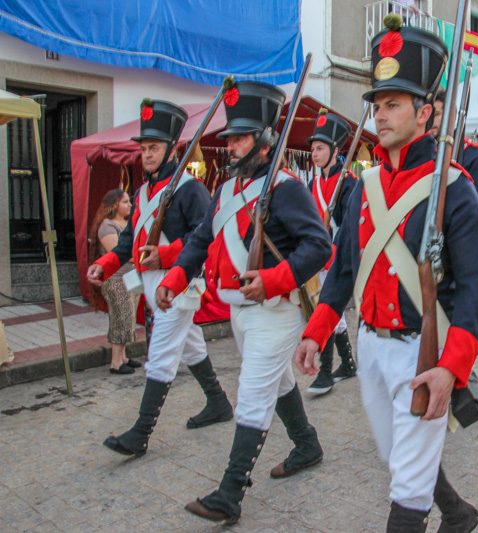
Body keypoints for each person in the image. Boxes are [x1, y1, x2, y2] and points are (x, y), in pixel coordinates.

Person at [295, 14, 478, 531]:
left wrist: (452, 367)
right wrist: (317, 331)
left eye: (393, 105)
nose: (380, 116)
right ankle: (459, 512)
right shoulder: (364, 187)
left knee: (405, 485)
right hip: (372, 347)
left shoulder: (456, 187)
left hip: (423, 350)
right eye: (378, 105)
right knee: (395, 455)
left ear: (425, 112)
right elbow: (343, 270)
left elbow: (476, 289)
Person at [156, 81, 332, 524]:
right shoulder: (225, 190)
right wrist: (175, 279)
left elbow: (319, 246)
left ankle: (229, 494)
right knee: (278, 382)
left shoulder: (287, 188)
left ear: (265, 138)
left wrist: (273, 279)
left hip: (277, 310)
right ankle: (307, 444)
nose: (230, 147)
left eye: (239, 138)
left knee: (253, 392)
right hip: (240, 310)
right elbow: (199, 242)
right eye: (230, 138)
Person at [88, 100, 233, 457]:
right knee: (192, 344)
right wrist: (105, 265)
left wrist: (167, 255)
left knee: (162, 354)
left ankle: (140, 433)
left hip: (179, 283)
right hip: (150, 283)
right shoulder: (141, 193)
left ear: (172, 149)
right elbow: (127, 242)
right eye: (144, 148)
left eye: (153, 148)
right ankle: (218, 402)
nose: (146, 155)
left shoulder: (190, 189)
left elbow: (208, 236)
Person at [305, 108, 358, 395]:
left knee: (327, 309)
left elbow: (349, 227)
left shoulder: (349, 183)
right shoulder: (312, 184)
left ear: (335, 150)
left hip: (336, 256)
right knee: (328, 310)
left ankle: (325, 372)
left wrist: (331, 252)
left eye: (320, 148)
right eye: (313, 148)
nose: (314, 154)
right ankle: (348, 363)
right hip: (318, 257)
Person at [88, 188, 141, 374]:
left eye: (129, 201)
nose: (129, 205)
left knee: (128, 318)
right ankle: (115, 362)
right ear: (114, 204)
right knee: (120, 318)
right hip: (116, 280)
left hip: (131, 278)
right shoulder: (107, 226)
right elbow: (118, 252)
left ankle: (123, 356)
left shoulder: (127, 223)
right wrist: (141, 257)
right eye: (125, 202)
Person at [431, 92, 478, 201]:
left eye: (436, 114)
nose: (431, 120)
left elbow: (472, 207)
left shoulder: (472, 155)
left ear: (451, 116)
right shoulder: (425, 151)